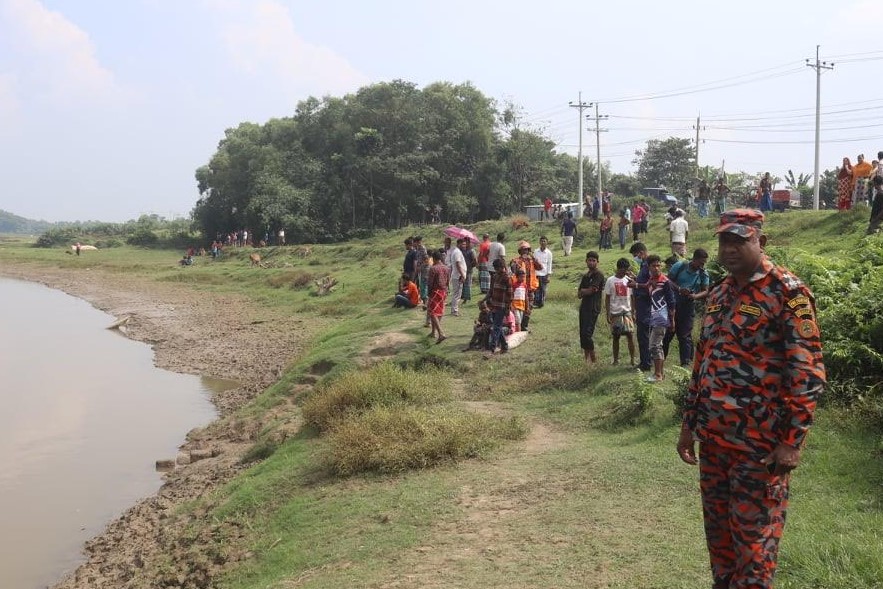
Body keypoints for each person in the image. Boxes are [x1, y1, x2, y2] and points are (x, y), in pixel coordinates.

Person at [677, 209, 826, 589]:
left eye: (739, 240)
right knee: (721, 543)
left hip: (758, 448)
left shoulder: (787, 293)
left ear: (762, 241)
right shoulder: (719, 292)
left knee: (755, 546)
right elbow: (703, 362)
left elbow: (807, 374)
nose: (729, 249)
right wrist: (688, 425)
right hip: (714, 442)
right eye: (724, 240)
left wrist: (791, 444)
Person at [662, 249, 710, 367]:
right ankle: (660, 360)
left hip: (688, 305)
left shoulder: (703, 273)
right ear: (694, 259)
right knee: (667, 334)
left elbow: (706, 291)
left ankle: (685, 363)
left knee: (685, 336)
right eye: (701, 263)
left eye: (704, 263)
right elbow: (667, 281)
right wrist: (679, 289)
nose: (702, 265)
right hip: (673, 304)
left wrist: (695, 296)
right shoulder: (680, 266)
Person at [643, 255, 676, 382]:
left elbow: (671, 302)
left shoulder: (665, 281)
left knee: (654, 345)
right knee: (658, 345)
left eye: (658, 265)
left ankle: (657, 375)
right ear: (648, 267)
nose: (657, 268)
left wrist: (672, 320)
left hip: (662, 317)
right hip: (654, 316)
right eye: (654, 265)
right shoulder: (651, 280)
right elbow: (645, 286)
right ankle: (660, 374)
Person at [604, 258, 636, 366]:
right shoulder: (610, 280)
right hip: (615, 312)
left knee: (630, 335)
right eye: (623, 270)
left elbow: (632, 297)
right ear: (618, 269)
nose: (625, 272)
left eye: (626, 270)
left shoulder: (628, 280)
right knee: (616, 336)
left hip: (627, 311)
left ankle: (632, 359)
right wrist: (608, 313)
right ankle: (616, 360)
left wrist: (633, 312)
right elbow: (607, 298)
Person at [577, 251, 605, 364]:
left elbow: (591, 290)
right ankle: (586, 360)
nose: (591, 262)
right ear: (586, 261)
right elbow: (579, 294)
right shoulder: (586, 276)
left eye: (594, 260)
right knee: (582, 334)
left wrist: (585, 290)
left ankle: (594, 361)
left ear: (597, 262)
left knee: (587, 334)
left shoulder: (599, 275)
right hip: (584, 307)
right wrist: (585, 291)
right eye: (590, 260)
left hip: (593, 308)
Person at [628, 242, 652, 372]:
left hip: (646, 305)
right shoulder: (643, 265)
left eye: (635, 255)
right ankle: (644, 361)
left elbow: (651, 285)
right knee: (642, 336)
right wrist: (636, 279)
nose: (635, 258)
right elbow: (644, 282)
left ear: (641, 253)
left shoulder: (649, 265)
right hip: (641, 305)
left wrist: (636, 285)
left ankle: (646, 363)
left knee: (644, 336)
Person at [486, 258, 513, 355]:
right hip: (494, 305)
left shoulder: (507, 278)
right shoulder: (494, 276)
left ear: (502, 267)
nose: (497, 270)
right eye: (495, 268)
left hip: (502, 307)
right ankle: (504, 346)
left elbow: (510, 295)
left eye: (498, 268)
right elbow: (491, 290)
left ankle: (492, 349)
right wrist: (484, 300)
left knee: (496, 327)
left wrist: (507, 308)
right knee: (498, 327)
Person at [426, 250, 450, 344]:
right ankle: (433, 332)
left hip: (435, 292)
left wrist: (428, 293)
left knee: (433, 313)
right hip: (443, 291)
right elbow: (448, 280)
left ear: (434, 259)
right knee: (438, 312)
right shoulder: (446, 268)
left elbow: (430, 283)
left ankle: (441, 333)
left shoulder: (433, 268)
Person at [447, 238, 467, 317]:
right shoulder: (457, 252)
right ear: (459, 244)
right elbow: (458, 265)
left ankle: (454, 310)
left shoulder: (456, 251)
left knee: (456, 294)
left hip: (456, 275)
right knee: (457, 294)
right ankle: (454, 311)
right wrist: (462, 275)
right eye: (463, 244)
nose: (464, 246)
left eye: (465, 244)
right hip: (458, 276)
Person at [532, 236, 553, 308]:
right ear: (539, 242)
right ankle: (536, 303)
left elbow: (549, 264)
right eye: (541, 241)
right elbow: (533, 263)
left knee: (543, 289)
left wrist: (548, 275)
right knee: (536, 289)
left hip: (544, 274)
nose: (543, 242)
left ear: (547, 242)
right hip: (536, 273)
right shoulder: (535, 251)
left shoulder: (549, 253)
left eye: (544, 241)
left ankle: (541, 303)